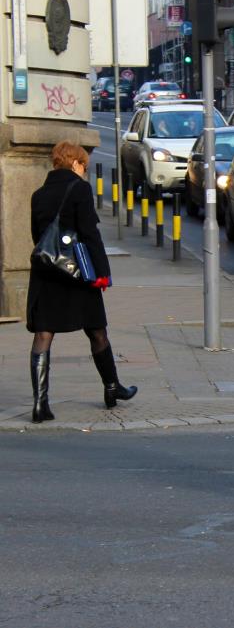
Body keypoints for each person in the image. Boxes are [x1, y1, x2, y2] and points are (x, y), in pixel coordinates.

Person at [27, 141, 137, 423]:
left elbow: (36, 236)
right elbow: (90, 234)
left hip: (47, 273)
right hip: (77, 272)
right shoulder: (79, 189)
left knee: (43, 335)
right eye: (84, 166)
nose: (85, 171)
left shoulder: (38, 195)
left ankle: (40, 405)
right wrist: (102, 273)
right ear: (75, 163)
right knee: (97, 330)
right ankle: (112, 388)